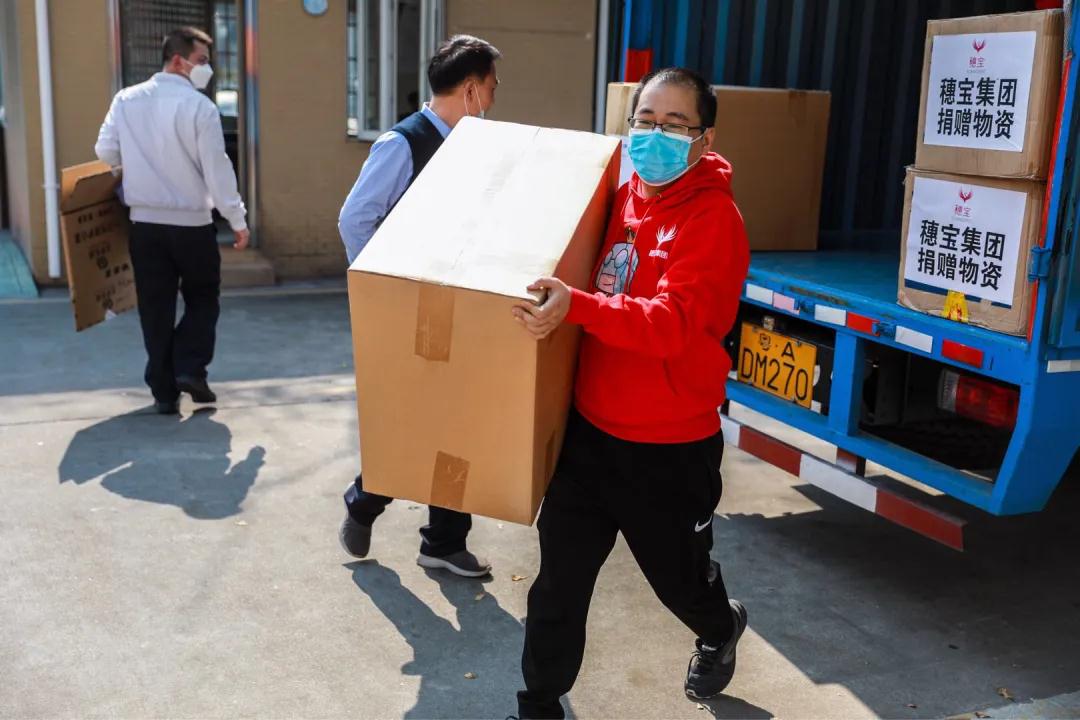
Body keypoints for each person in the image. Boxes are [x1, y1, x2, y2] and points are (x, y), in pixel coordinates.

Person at [510, 67, 752, 718]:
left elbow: (671, 325)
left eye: (674, 125)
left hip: (667, 450)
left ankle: (720, 626)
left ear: (704, 139)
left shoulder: (713, 219)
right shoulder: (620, 193)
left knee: (679, 584)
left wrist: (578, 305)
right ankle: (538, 705)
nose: (654, 135)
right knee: (558, 585)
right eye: (645, 120)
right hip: (589, 436)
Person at [337, 35, 501, 578]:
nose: (493, 100)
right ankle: (365, 499)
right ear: (471, 89)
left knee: (457, 424)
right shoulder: (403, 143)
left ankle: (445, 541)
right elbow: (355, 219)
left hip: (460, 305)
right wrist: (385, 295)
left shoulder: (471, 147)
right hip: (410, 310)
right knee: (413, 422)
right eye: (492, 89)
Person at [95, 27, 248, 416]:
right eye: (201, 60)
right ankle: (189, 367)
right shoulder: (200, 108)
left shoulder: (126, 100)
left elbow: (105, 151)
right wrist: (236, 217)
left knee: (155, 307)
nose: (207, 69)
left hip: (144, 224)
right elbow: (217, 169)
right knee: (203, 298)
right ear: (178, 60)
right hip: (193, 224)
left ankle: (164, 391)